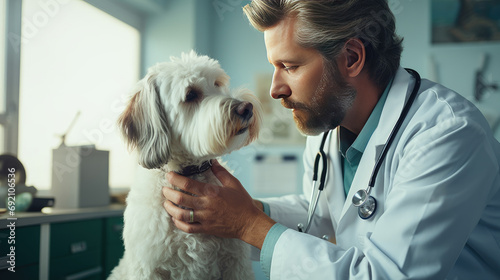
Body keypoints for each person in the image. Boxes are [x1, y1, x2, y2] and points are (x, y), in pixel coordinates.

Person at [162, 0, 500, 278]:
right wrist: (244, 209)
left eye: (289, 66)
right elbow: (322, 215)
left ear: (351, 58)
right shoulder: (327, 130)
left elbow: (387, 274)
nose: (274, 89)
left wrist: (248, 225)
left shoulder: (447, 133)